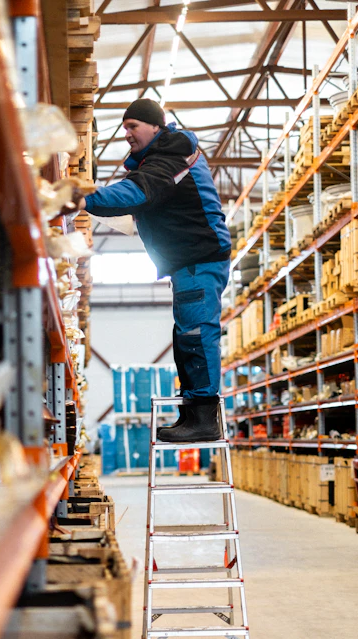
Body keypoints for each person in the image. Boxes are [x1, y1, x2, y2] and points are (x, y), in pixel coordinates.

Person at [73, 98, 231, 442]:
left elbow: (140, 191)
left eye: (133, 126)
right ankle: (192, 414)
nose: (127, 133)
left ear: (156, 126)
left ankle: (204, 419)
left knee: (197, 334)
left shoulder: (173, 154)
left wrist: (84, 199)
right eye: (125, 127)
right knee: (185, 336)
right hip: (188, 262)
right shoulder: (160, 158)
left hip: (200, 257)